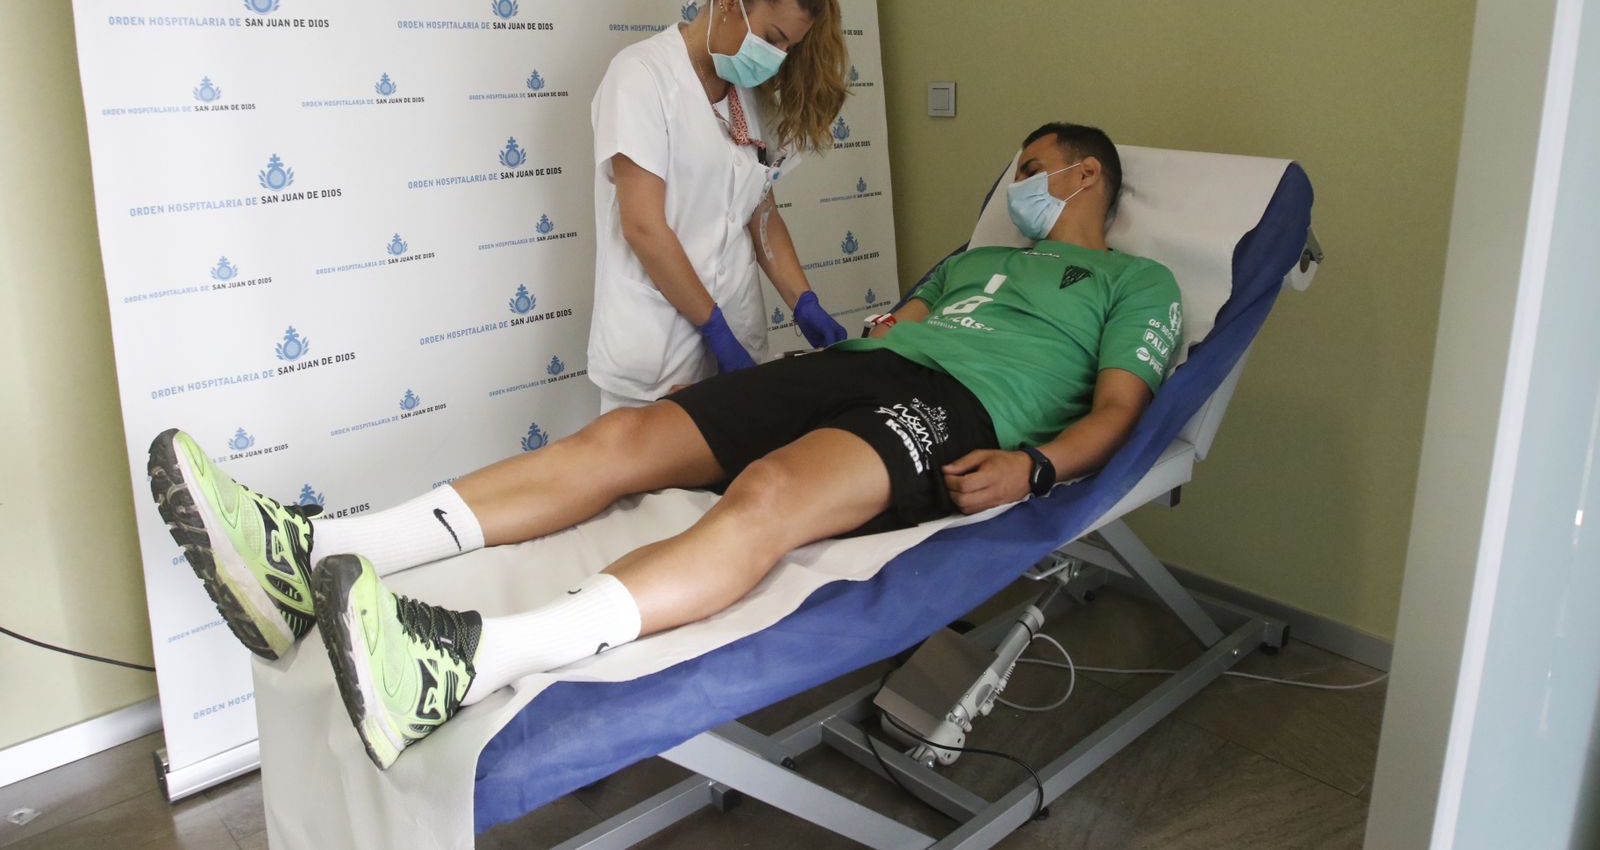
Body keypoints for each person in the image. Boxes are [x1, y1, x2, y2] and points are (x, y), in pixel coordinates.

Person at [150, 123, 1181, 770]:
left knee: (773, 493)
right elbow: (899, 316)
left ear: (1086, 174)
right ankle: (319, 551)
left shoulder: (1139, 286)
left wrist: (1037, 467)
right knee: (631, 434)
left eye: (1035, 169)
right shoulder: (977, 259)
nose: (1020, 184)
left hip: (961, 409)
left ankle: (461, 666)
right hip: (881, 363)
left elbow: (1120, 410)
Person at [588, 0, 852, 411]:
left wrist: (804, 303)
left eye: (788, 47)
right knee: (652, 487)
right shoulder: (641, 77)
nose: (777, 57)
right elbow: (644, 227)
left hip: (736, 346)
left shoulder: (748, 98)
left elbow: (760, 212)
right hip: (657, 355)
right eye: (773, 39)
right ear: (730, 1)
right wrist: (714, 331)